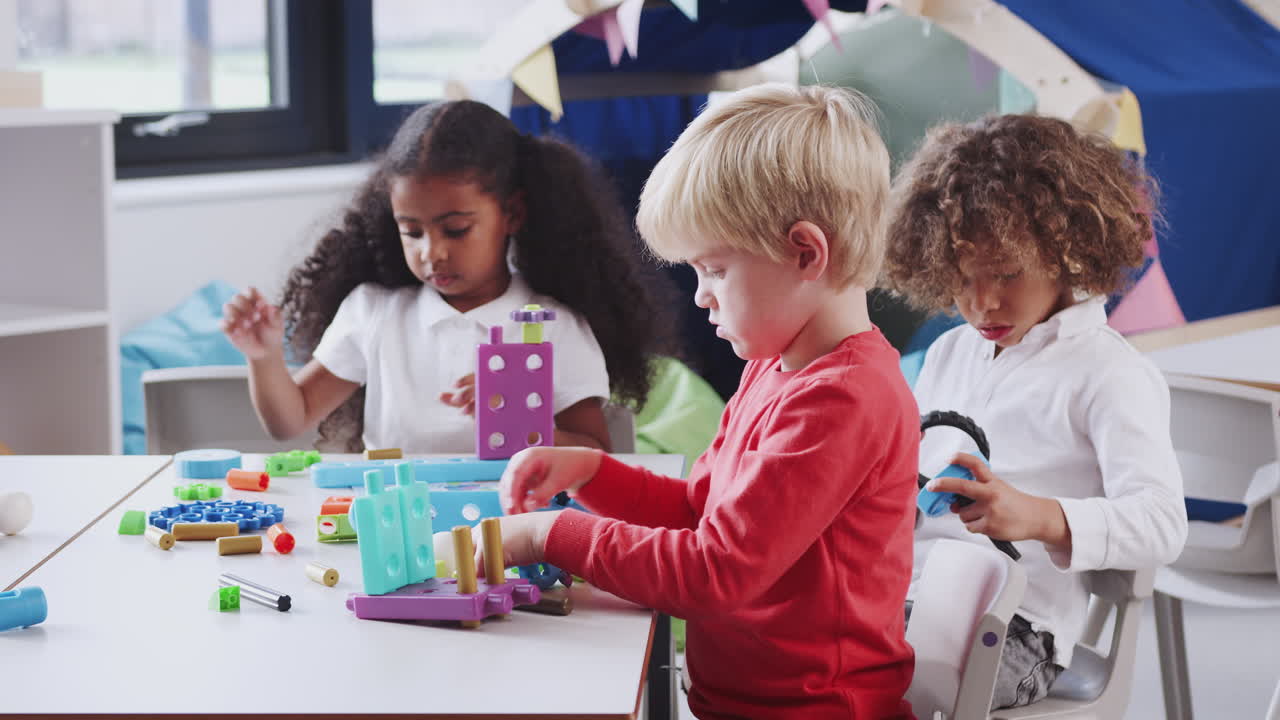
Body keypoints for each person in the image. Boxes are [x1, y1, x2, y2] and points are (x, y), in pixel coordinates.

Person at [486, 84, 919, 719]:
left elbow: (714, 572)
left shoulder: (843, 399)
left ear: (806, 252)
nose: (700, 297)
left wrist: (551, 533)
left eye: (713, 270)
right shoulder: (776, 364)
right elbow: (701, 510)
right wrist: (593, 475)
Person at [883, 114, 1188, 709]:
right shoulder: (952, 351)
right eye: (963, 279)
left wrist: (1038, 517)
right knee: (805, 644)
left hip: (1016, 627)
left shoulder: (1109, 371)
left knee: (878, 675)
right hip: (910, 597)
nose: (983, 302)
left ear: (1066, 247)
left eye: (1008, 274)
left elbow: (1162, 523)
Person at [220, 100, 670, 452]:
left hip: (512, 530)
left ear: (511, 213)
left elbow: (596, 453)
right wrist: (264, 358)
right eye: (411, 231)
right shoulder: (374, 312)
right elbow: (289, 420)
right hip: (401, 526)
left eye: (456, 229)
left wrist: (521, 419)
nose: (432, 252)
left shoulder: (550, 325)